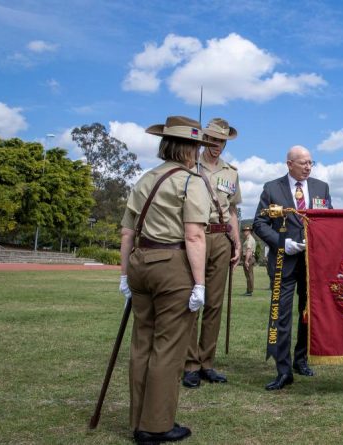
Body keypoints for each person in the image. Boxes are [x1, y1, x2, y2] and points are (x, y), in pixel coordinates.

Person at [119, 116, 216, 443]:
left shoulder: (146, 179)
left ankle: (138, 420)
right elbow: (194, 236)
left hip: (139, 264)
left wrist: (124, 275)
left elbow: (127, 232)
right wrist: (200, 284)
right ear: (190, 148)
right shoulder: (192, 181)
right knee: (168, 348)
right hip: (172, 265)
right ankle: (155, 425)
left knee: (142, 343)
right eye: (197, 146)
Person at [253, 145, 333, 390]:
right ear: (289, 164)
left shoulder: (321, 188)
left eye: (311, 162)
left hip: (311, 262)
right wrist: (282, 242)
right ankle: (283, 369)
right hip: (284, 261)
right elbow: (259, 222)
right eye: (303, 163)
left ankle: (301, 359)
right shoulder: (272, 188)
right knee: (282, 314)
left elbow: (328, 220)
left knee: (308, 312)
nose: (308, 167)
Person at [183, 118, 241, 389]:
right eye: (213, 140)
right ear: (205, 139)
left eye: (222, 141)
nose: (217, 146)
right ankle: (190, 363)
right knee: (193, 300)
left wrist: (237, 243)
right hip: (196, 235)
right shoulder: (190, 166)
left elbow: (232, 211)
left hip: (221, 239)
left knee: (215, 304)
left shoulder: (232, 172)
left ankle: (207, 363)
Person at [242, 226, 257, 296]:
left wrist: (246, 261)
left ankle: (250, 291)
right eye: (244, 230)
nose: (244, 232)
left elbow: (249, 250)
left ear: (249, 231)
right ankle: (249, 290)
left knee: (249, 275)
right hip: (250, 258)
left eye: (246, 230)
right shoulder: (249, 239)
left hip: (249, 258)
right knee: (249, 275)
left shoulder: (249, 239)